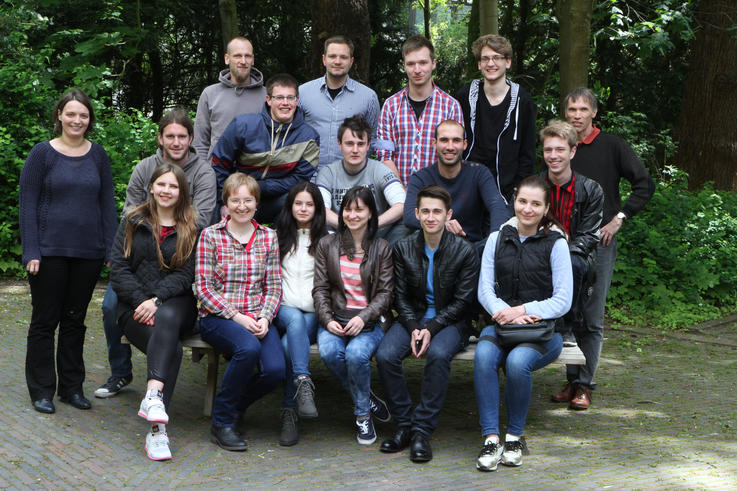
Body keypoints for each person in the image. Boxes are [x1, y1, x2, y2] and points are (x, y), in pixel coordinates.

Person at [96, 109, 217, 399]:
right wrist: (150, 230)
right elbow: (130, 212)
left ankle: (156, 392)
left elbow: (201, 219)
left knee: (167, 318)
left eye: (182, 136)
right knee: (110, 306)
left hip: (177, 256)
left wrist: (173, 224)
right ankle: (120, 372)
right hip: (142, 256)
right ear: (160, 138)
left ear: (190, 138)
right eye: (170, 136)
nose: (176, 142)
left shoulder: (203, 171)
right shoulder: (144, 168)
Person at [552, 88, 654, 410]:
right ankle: (571, 381)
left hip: (600, 243)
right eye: (572, 109)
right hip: (563, 246)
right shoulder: (561, 148)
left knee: (592, 317)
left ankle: (585, 385)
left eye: (583, 109)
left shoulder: (612, 145)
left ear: (594, 112)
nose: (577, 115)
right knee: (568, 313)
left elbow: (644, 184)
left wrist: (618, 218)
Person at [19, 88, 117, 414]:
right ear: (59, 115)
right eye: (71, 113)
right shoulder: (41, 154)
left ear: (90, 120)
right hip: (48, 253)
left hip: (88, 254)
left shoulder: (98, 156)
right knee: (45, 321)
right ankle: (42, 389)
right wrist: (31, 250)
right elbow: (27, 206)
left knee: (75, 322)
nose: (77, 120)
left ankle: (71, 388)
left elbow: (106, 206)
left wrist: (110, 250)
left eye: (83, 115)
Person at [474, 175, 572, 471]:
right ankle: (491, 439)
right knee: (483, 356)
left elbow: (563, 300)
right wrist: (504, 312)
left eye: (535, 203)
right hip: (502, 326)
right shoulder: (497, 237)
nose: (527, 209)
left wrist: (522, 310)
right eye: (522, 201)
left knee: (518, 363)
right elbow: (484, 290)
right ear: (514, 201)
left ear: (546, 208)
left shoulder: (556, 243)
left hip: (541, 332)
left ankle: (514, 437)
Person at [376, 185, 480, 463]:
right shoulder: (403, 247)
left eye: (437, 211)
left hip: (451, 321)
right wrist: (413, 328)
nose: (431, 217)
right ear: (416, 213)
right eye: (426, 211)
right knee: (385, 355)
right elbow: (399, 296)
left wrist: (431, 329)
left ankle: (422, 431)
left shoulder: (465, 251)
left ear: (448, 214)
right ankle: (404, 425)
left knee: (438, 354)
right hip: (413, 318)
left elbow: (463, 301)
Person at [110, 164, 199, 461]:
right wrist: (141, 302)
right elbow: (119, 270)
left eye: (173, 186)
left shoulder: (190, 226)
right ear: (151, 187)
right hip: (133, 309)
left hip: (176, 304)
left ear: (181, 191)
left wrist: (157, 299)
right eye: (161, 184)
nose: (166, 191)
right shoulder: (133, 222)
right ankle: (157, 430)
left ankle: (152, 397)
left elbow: (187, 275)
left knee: (169, 317)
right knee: (171, 347)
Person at [195, 173, 285, 452]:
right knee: (247, 349)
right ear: (227, 203)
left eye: (248, 200)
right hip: (218, 317)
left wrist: (265, 317)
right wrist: (237, 316)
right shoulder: (211, 236)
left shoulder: (268, 238)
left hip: (257, 317)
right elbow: (203, 289)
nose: (242, 206)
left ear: (257, 203)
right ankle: (222, 423)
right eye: (236, 200)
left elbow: (274, 287)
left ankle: (232, 406)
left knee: (276, 370)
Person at [313, 186, 394, 445]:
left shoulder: (381, 248)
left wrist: (364, 317)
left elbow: (385, 293)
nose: (353, 214)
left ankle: (362, 416)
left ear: (371, 213)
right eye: (348, 208)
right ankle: (368, 399)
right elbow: (320, 289)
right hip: (335, 318)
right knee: (328, 352)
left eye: (360, 209)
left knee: (356, 355)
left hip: (369, 322)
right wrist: (327, 320)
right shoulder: (327, 244)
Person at [212, 73, 320, 224]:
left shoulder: (309, 137)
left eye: (290, 98)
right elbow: (219, 164)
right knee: (217, 215)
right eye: (279, 98)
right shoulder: (242, 125)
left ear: (297, 101)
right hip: (238, 196)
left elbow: (299, 178)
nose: (285, 103)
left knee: (297, 199)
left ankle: (283, 245)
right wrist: (224, 200)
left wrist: (260, 187)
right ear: (269, 100)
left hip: (277, 199)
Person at [538, 120, 603, 348]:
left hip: (575, 253)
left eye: (560, 149)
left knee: (572, 263)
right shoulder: (534, 186)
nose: (553, 155)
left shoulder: (591, 189)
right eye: (548, 150)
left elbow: (589, 236)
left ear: (573, 151)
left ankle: (565, 327)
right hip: (537, 251)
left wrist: (560, 253)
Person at [273, 182, 328, 446]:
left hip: (312, 312)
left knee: (287, 347)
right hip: (282, 308)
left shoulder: (327, 240)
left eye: (309, 204)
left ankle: (288, 412)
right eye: (298, 203)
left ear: (317, 208)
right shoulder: (276, 236)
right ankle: (304, 380)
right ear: (290, 206)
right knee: (293, 319)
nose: (303, 208)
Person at [403, 120, 510, 255]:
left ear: (464, 144)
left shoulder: (479, 173)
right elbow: (409, 216)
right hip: (433, 249)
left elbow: (498, 207)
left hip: (473, 250)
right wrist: (441, 223)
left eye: (456, 140)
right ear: (434, 143)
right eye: (444, 140)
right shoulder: (421, 177)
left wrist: (493, 242)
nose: (450, 146)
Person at [455, 34, 536, 206]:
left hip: (506, 192)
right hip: (468, 186)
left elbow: (527, 152)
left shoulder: (523, 100)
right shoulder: (465, 96)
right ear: (479, 64)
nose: (490, 64)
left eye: (496, 58)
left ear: (508, 62)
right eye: (485, 59)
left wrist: (519, 189)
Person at [375, 35, 463, 186]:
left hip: (437, 197)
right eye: (411, 64)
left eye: (423, 63)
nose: (417, 70)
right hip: (397, 196)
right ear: (404, 65)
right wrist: (401, 193)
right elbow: (384, 155)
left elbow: (454, 153)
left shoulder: (450, 106)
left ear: (433, 63)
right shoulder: (391, 106)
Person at [316, 115, 408, 244]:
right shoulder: (328, 173)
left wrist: (370, 225)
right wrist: (348, 225)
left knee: (406, 222)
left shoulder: (380, 170)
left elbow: (402, 204)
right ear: (339, 144)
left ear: (368, 145)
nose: (355, 150)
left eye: (360, 144)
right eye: (349, 144)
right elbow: (321, 209)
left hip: (376, 236)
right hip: (340, 236)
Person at [299, 35, 380, 170]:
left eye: (343, 57)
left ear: (351, 61)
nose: (337, 61)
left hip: (352, 177)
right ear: (324, 59)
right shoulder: (303, 93)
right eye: (332, 56)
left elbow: (373, 138)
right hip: (310, 176)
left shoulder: (368, 97)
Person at [194, 36, 267, 162]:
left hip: (255, 176)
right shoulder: (210, 94)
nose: (243, 61)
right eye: (237, 56)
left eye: (247, 56)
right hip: (216, 174)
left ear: (253, 59)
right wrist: (204, 174)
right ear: (227, 59)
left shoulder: (266, 96)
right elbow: (200, 143)